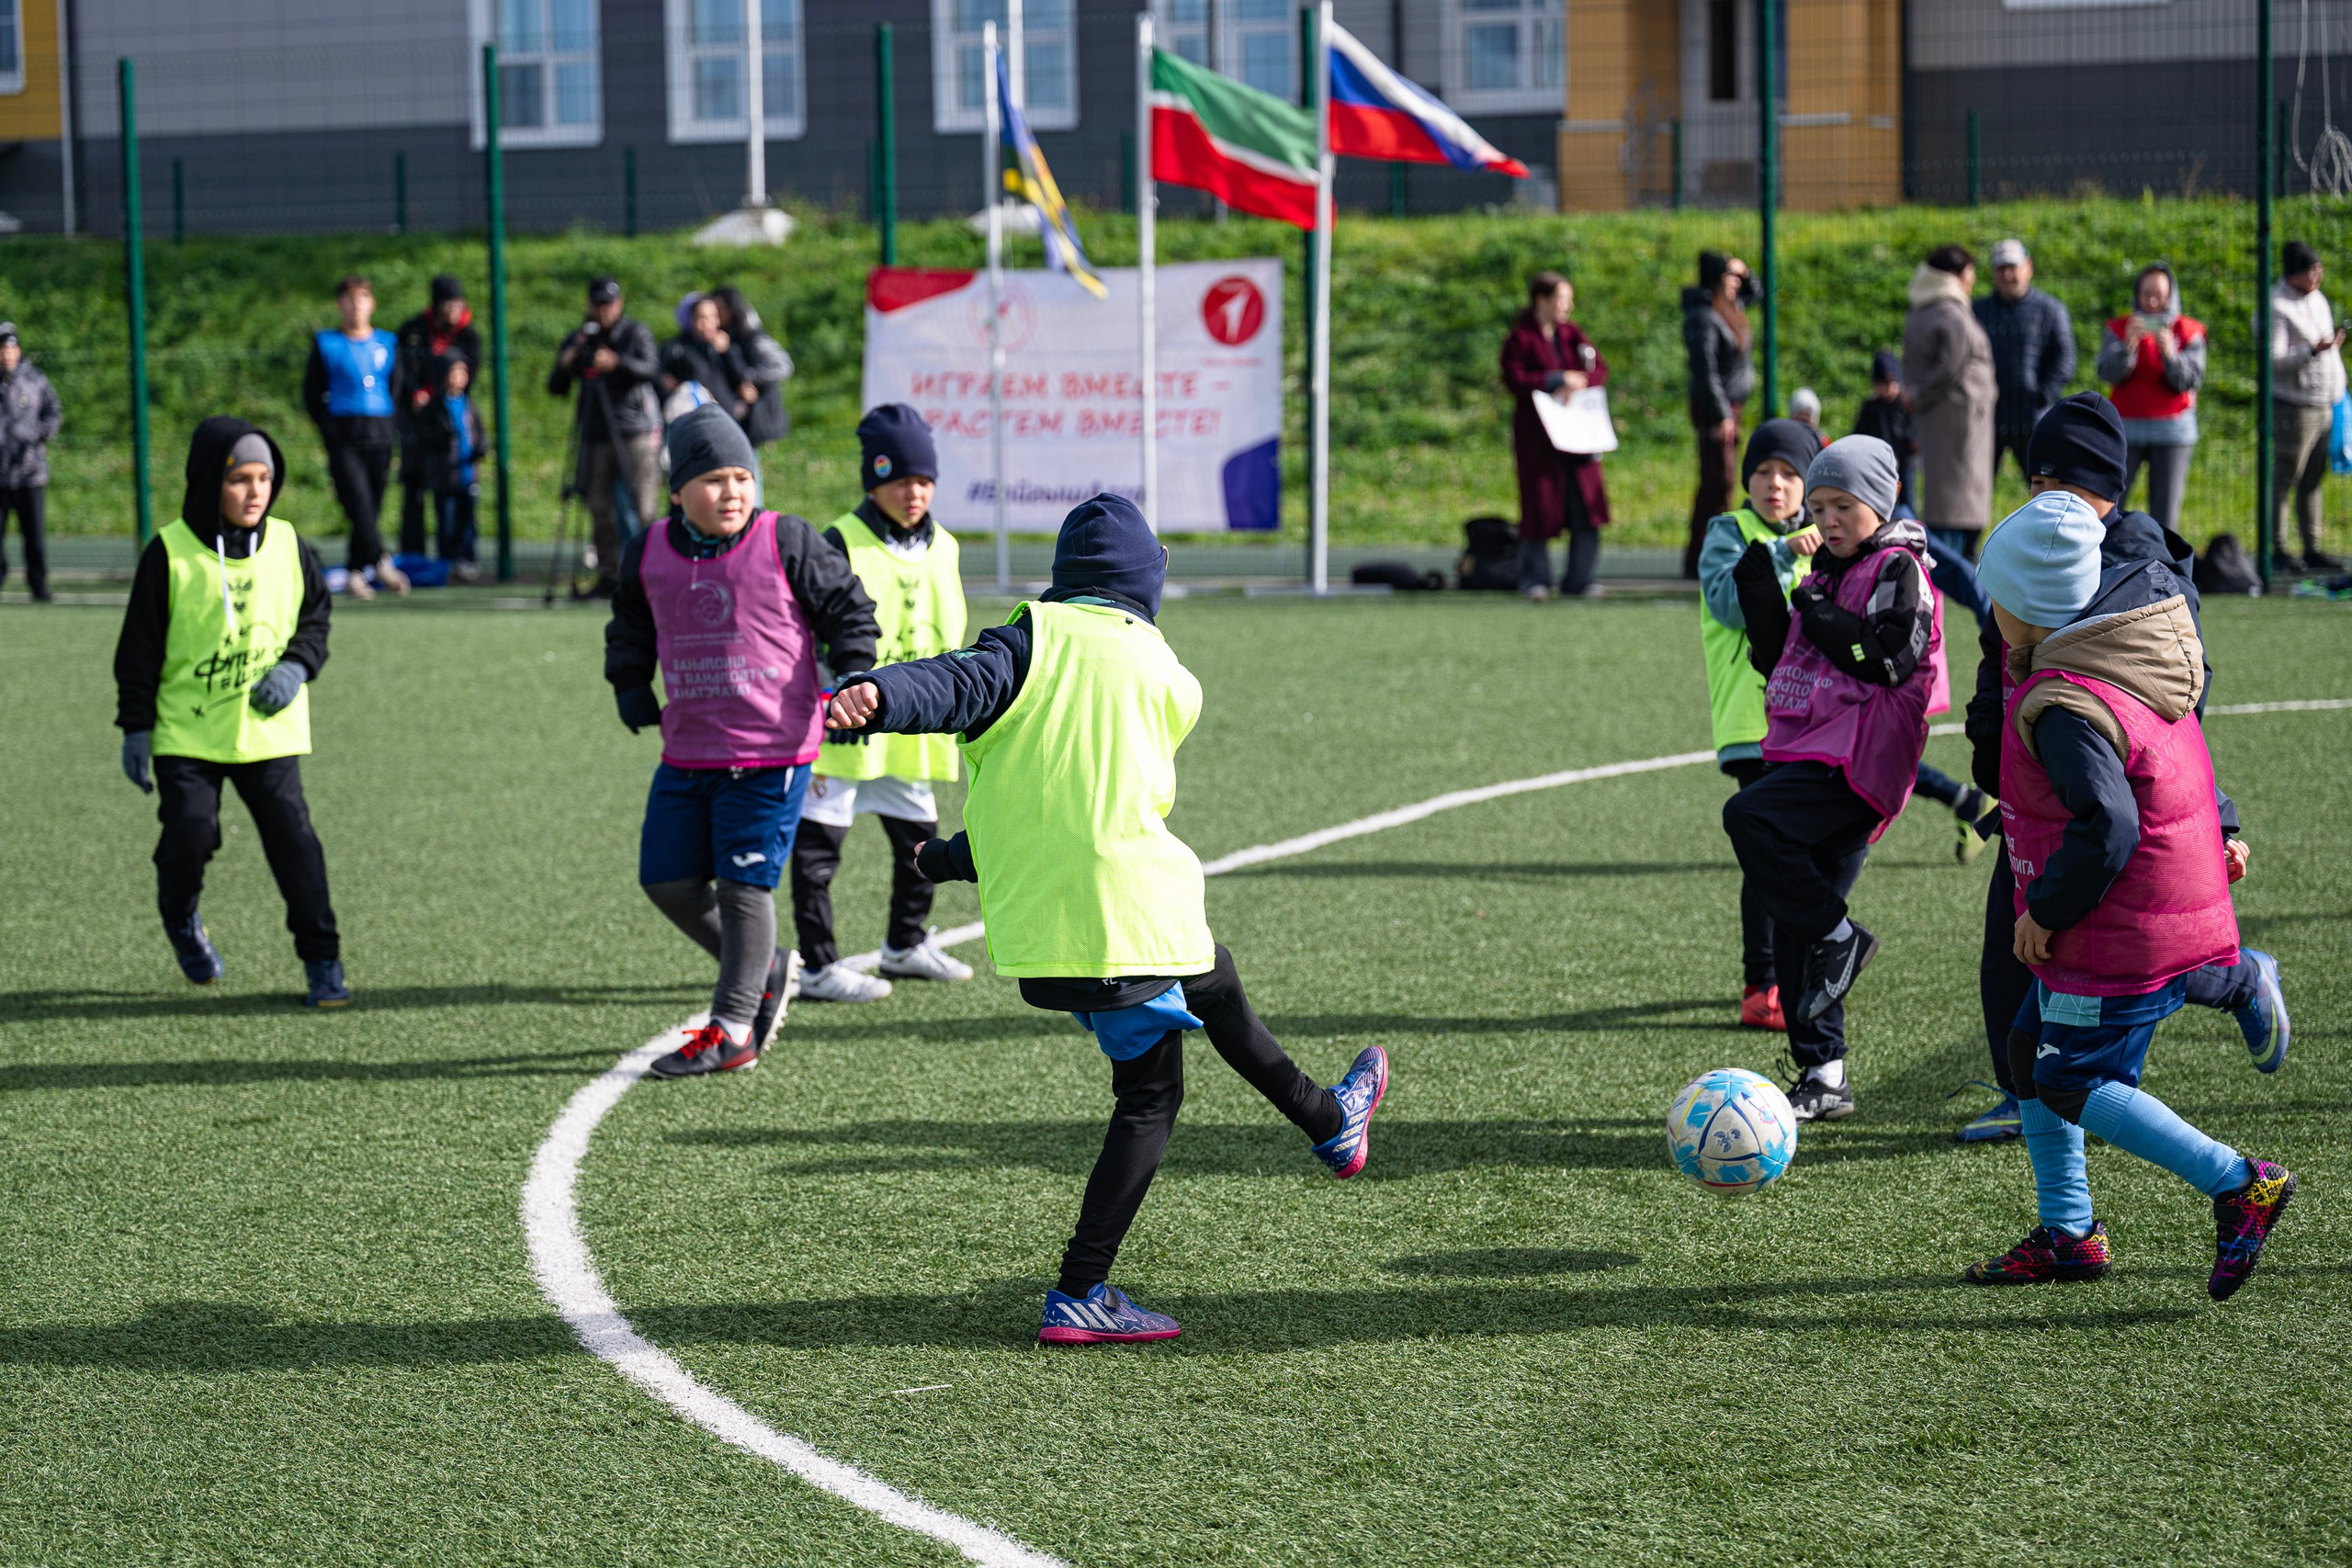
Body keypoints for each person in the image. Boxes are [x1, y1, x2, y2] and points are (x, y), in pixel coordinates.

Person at [821, 495, 1390, 1345]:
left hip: (1054, 938)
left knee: (1215, 975)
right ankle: (1081, 1288)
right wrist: (884, 695)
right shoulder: (1165, 676)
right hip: (1125, 919)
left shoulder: (1028, 643)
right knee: (1152, 1096)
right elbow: (1092, 799)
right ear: (1146, 581)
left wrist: (883, 702)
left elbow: (965, 703)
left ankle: (1327, 1120)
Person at [1960, 491, 2296, 1300]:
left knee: (2070, 1078)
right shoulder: (2114, 651)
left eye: (1996, 597)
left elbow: (2108, 824)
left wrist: (2046, 911)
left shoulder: (2066, 703)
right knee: (2024, 1050)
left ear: (2030, 606)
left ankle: (2238, 1182)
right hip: (2162, 895)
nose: (1989, 611)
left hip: (2118, 916)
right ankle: (2071, 1233)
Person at [1952, 394, 2289, 1146]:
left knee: (2133, 949)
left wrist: (2219, 815)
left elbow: (2176, 713)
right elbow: (1994, 671)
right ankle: (2025, 1091)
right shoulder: (2025, 556)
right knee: (2012, 938)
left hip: (2114, 802)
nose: (2049, 500)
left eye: (2067, 486)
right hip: (2042, 798)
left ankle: (2229, 990)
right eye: (2038, 484)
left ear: (2109, 488)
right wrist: (1995, 756)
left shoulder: (2145, 570)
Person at [604, 405, 880, 1077]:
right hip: (689, 749)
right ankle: (768, 967)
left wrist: (855, 671)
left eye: (741, 477)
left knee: (743, 884)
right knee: (666, 881)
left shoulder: (786, 538)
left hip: (773, 750)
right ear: (677, 491)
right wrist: (629, 682)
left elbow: (848, 607)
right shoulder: (649, 549)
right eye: (713, 479)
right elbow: (631, 623)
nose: (731, 491)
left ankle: (732, 1029)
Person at [1723, 435, 1939, 1122]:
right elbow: (1780, 659)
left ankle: (1841, 934)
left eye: (1843, 504)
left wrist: (1813, 613)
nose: (1828, 518)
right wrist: (1762, 592)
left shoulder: (1899, 567)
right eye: (1819, 507)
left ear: (1879, 502)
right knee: (1794, 921)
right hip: (1817, 752)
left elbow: (1886, 659)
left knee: (1749, 816)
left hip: (1860, 762)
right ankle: (1825, 1072)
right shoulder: (1820, 578)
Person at [113, 417, 347, 1008]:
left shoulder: (291, 544)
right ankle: (180, 915)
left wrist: (296, 665)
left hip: (268, 734)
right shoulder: (168, 553)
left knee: (296, 842)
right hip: (186, 732)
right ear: (208, 482)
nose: (255, 492)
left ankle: (322, 959)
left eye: (265, 478)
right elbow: (137, 652)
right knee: (191, 832)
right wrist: (136, 727)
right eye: (240, 479)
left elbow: (315, 617)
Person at [792, 405, 973, 1002]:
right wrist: (831, 697)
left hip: (910, 728)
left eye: (924, 481)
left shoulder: (945, 545)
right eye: (900, 481)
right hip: (843, 728)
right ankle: (818, 966)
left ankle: (904, 945)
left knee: (921, 842)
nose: (914, 492)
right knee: (820, 850)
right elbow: (806, 630)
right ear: (875, 480)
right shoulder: (840, 538)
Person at [1696, 417, 1823, 1032]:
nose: (1775, 484)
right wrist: (1777, 553)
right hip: (1753, 724)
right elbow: (1727, 599)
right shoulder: (1729, 532)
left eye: (1790, 474)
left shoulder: (1825, 538)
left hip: (1813, 725)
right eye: (1764, 472)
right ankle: (1761, 981)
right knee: (1768, 854)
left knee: (1809, 851)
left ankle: (1803, 969)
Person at [549, 276, 663, 599]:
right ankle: (610, 576)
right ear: (589, 304)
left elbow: (651, 369)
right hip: (594, 434)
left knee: (643, 506)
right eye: (597, 304)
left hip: (634, 432)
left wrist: (617, 363)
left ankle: (650, 574)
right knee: (599, 508)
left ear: (620, 303)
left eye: (609, 304)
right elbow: (556, 386)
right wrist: (568, 360)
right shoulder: (581, 338)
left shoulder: (634, 333)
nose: (603, 311)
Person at [1500, 271, 1611, 600]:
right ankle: (1536, 578)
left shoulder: (1572, 333)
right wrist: (1553, 380)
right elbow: (1515, 378)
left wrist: (1580, 381)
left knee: (1586, 505)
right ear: (1542, 300)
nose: (1567, 306)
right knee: (1539, 506)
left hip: (1579, 434)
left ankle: (1580, 578)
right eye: (1561, 299)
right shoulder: (1520, 339)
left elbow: (1599, 370)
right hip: (1539, 438)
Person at [302, 276, 409, 600]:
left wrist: (392, 429)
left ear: (372, 303)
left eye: (362, 297)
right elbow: (311, 393)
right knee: (358, 503)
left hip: (379, 434)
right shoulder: (326, 344)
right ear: (339, 304)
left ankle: (354, 571)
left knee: (371, 507)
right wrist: (329, 430)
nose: (356, 304)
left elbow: (397, 388)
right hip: (345, 438)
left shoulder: (388, 343)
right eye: (349, 298)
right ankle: (381, 560)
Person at [2096, 263, 2205, 536]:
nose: (2153, 302)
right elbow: (2106, 372)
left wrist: (2170, 354)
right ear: (2137, 294)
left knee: (2165, 515)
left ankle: (2165, 572)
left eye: (2159, 294)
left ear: (2172, 295)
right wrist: (2128, 349)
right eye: (2146, 294)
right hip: (2125, 432)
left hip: (2173, 433)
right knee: (2109, 507)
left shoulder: (2189, 331)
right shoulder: (2120, 328)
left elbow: (2190, 380)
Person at [1905, 244, 1996, 559]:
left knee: (1953, 500)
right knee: (1952, 506)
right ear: (1954, 275)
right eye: (1969, 274)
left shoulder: (1931, 308)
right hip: (1956, 426)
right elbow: (1951, 365)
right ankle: (1951, 568)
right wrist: (1919, 395)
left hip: (1953, 422)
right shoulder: (1947, 311)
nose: (1972, 281)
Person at [2267, 240, 2347, 574]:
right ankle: (2279, 549)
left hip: (2328, 403)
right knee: (2287, 477)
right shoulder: (2276, 306)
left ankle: (2312, 547)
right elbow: (2274, 361)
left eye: (2319, 269)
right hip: (2296, 407)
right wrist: (2311, 352)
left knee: (2314, 477)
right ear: (2294, 274)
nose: (2318, 276)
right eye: (2311, 270)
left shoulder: (2318, 299)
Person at [1973, 238, 2075, 487]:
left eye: (2013, 267)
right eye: (2001, 268)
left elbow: (2065, 357)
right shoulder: (1977, 311)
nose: (2007, 275)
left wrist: (2043, 395)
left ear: (2028, 267)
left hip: (2033, 417)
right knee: (1974, 490)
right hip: (1988, 416)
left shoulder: (2050, 310)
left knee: (2046, 486)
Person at [393, 276, 481, 560]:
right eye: (449, 303)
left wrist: (442, 395)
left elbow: (469, 378)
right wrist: (415, 394)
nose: (455, 309)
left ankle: (456, 555)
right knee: (414, 485)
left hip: (448, 424)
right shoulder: (413, 331)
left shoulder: (469, 337)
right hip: (418, 422)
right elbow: (401, 369)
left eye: (459, 303)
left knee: (455, 493)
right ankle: (413, 554)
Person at [1682, 251, 1757, 578]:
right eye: (1730, 277)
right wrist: (1720, 415)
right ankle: (1703, 557)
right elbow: (1705, 371)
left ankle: (1709, 555)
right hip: (1716, 409)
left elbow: (1756, 293)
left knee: (1720, 481)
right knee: (1719, 480)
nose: (1736, 284)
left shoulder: (1731, 308)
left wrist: (1746, 270)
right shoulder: (1704, 316)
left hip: (1731, 408)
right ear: (1715, 279)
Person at [0, 321, 62, 603]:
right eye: (2, 349)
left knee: (34, 537)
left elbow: (53, 414)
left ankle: (38, 584)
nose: (7, 354)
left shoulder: (35, 380)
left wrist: (35, 436)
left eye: (11, 348)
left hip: (29, 473)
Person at [412, 356, 485, 579]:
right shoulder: (435, 406)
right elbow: (426, 437)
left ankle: (467, 559)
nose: (458, 379)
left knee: (468, 519)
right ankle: (447, 561)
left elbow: (479, 434)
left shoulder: (468, 404)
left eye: (462, 374)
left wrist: (481, 449)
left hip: (467, 474)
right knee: (446, 519)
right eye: (454, 374)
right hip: (445, 475)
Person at [712, 285, 794, 453]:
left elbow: (783, 366)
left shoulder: (752, 337)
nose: (718, 316)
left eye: (722, 309)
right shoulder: (719, 337)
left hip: (757, 419)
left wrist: (751, 378)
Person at [661, 295, 756, 436]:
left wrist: (727, 352)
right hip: (697, 429)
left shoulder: (725, 347)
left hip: (730, 423)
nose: (709, 323)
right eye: (702, 318)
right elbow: (659, 377)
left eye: (713, 317)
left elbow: (743, 381)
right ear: (691, 320)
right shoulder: (677, 349)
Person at [1852, 350, 1918, 516]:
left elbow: (1914, 434)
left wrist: (1907, 448)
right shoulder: (1871, 408)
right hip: (1878, 464)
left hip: (1904, 464)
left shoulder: (1906, 405)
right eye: (1881, 385)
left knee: (1908, 505)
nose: (1886, 390)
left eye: (1890, 384)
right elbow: (1858, 434)